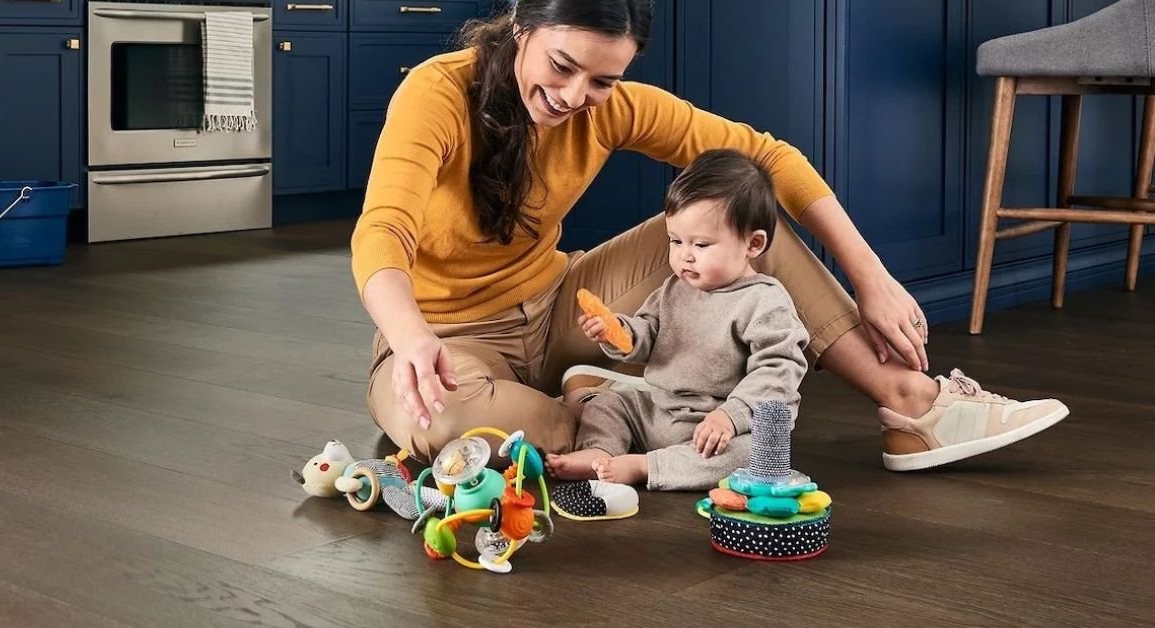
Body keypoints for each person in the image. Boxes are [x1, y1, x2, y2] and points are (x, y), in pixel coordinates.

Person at [350, 0, 1069, 472]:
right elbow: (382, 231)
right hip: (446, 338)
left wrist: (870, 277)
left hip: (567, 306)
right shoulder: (439, 93)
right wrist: (413, 339)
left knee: (743, 217)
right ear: (520, 27)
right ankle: (593, 407)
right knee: (446, 422)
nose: (574, 98)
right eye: (562, 66)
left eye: (602, 80)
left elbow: (771, 158)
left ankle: (911, 404)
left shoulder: (613, 107)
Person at [545, 149, 809, 490]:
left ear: (753, 244)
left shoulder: (764, 301)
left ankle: (644, 467)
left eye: (701, 244)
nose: (684, 255)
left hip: (716, 427)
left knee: (751, 456)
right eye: (675, 241)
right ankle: (599, 451)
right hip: (659, 410)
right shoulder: (675, 288)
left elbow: (778, 372)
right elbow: (647, 333)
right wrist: (618, 333)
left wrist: (731, 415)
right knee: (609, 402)